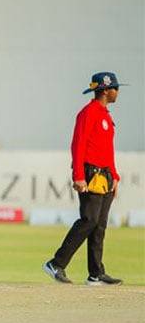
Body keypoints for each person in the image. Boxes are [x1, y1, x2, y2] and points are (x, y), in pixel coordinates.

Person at [43, 72, 126, 286]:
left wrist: (115, 176)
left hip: (106, 175)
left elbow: (108, 150)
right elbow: (78, 145)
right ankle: (56, 263)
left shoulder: (105, 114)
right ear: (106, 90)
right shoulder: (88, 113)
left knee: (99, 225)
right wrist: (78, 175)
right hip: (90, 174)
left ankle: (96, 273)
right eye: (115, 88)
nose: (118, 92)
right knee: (89, 220)